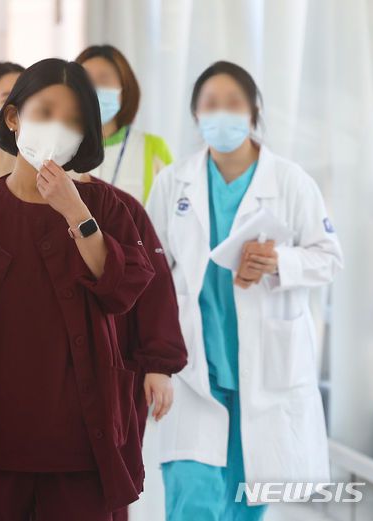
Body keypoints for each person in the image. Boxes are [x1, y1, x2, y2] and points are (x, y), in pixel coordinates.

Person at [0, 58, 154, 521]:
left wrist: (76, 212)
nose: (58, 128)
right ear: (12, 117)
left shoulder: (107, 207)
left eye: (73, 120)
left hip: (79, 448)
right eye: (45, 112)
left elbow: (122, 291)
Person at [146, 61, 344, 521]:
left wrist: (279, 262)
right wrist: (151, 359)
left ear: (253, 112)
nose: (221, 113)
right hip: (194, 370)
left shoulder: (291, 182)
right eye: (210, 104)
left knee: (244, 504)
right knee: (191, 498)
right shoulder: (173, 182)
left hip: (266, 372)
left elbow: (329, 258)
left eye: (233, 103)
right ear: (196, 115)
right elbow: (151, 273)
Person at [66, 171, 188, 521]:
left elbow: (155, 288)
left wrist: (159, 364)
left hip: (109, 374)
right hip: (33, 378)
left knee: (105, 486)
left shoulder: (122, 207)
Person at [76, 44, 173, 204]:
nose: (93, 89)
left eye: (103, 79)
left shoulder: (153, 148)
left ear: (125, 89)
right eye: (86, 81)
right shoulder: (61, 147)